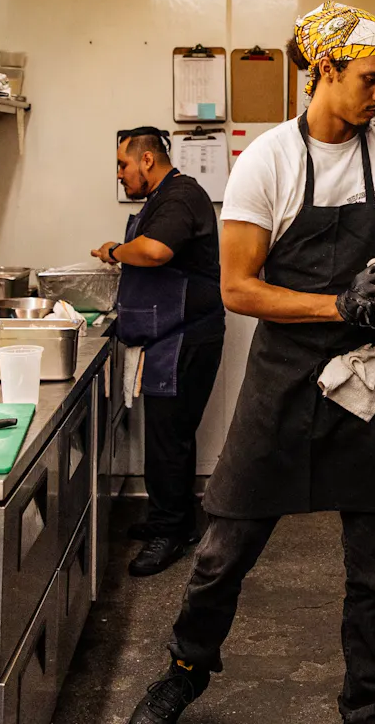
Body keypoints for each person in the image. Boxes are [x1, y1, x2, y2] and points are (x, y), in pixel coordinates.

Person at [127, 3, 375, 724]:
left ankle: (369, 704)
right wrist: (339, 304)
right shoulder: (266, 160)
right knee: (222, 550)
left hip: (365, 385)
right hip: (282, 381)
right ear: (324, 70)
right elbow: (239, 288)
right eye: (370, 79)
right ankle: (183, 670)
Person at [93, 127, 225, 577]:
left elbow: (154, 251)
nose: (120, 175)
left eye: (123, 165)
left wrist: (113, 250)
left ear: (147, 159)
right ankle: (173, 520)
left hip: (186, 337)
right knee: (166, 435)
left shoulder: (181, 196)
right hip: (168, 335)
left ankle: (172, 531)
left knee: (170, 438)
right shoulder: (162, 199)